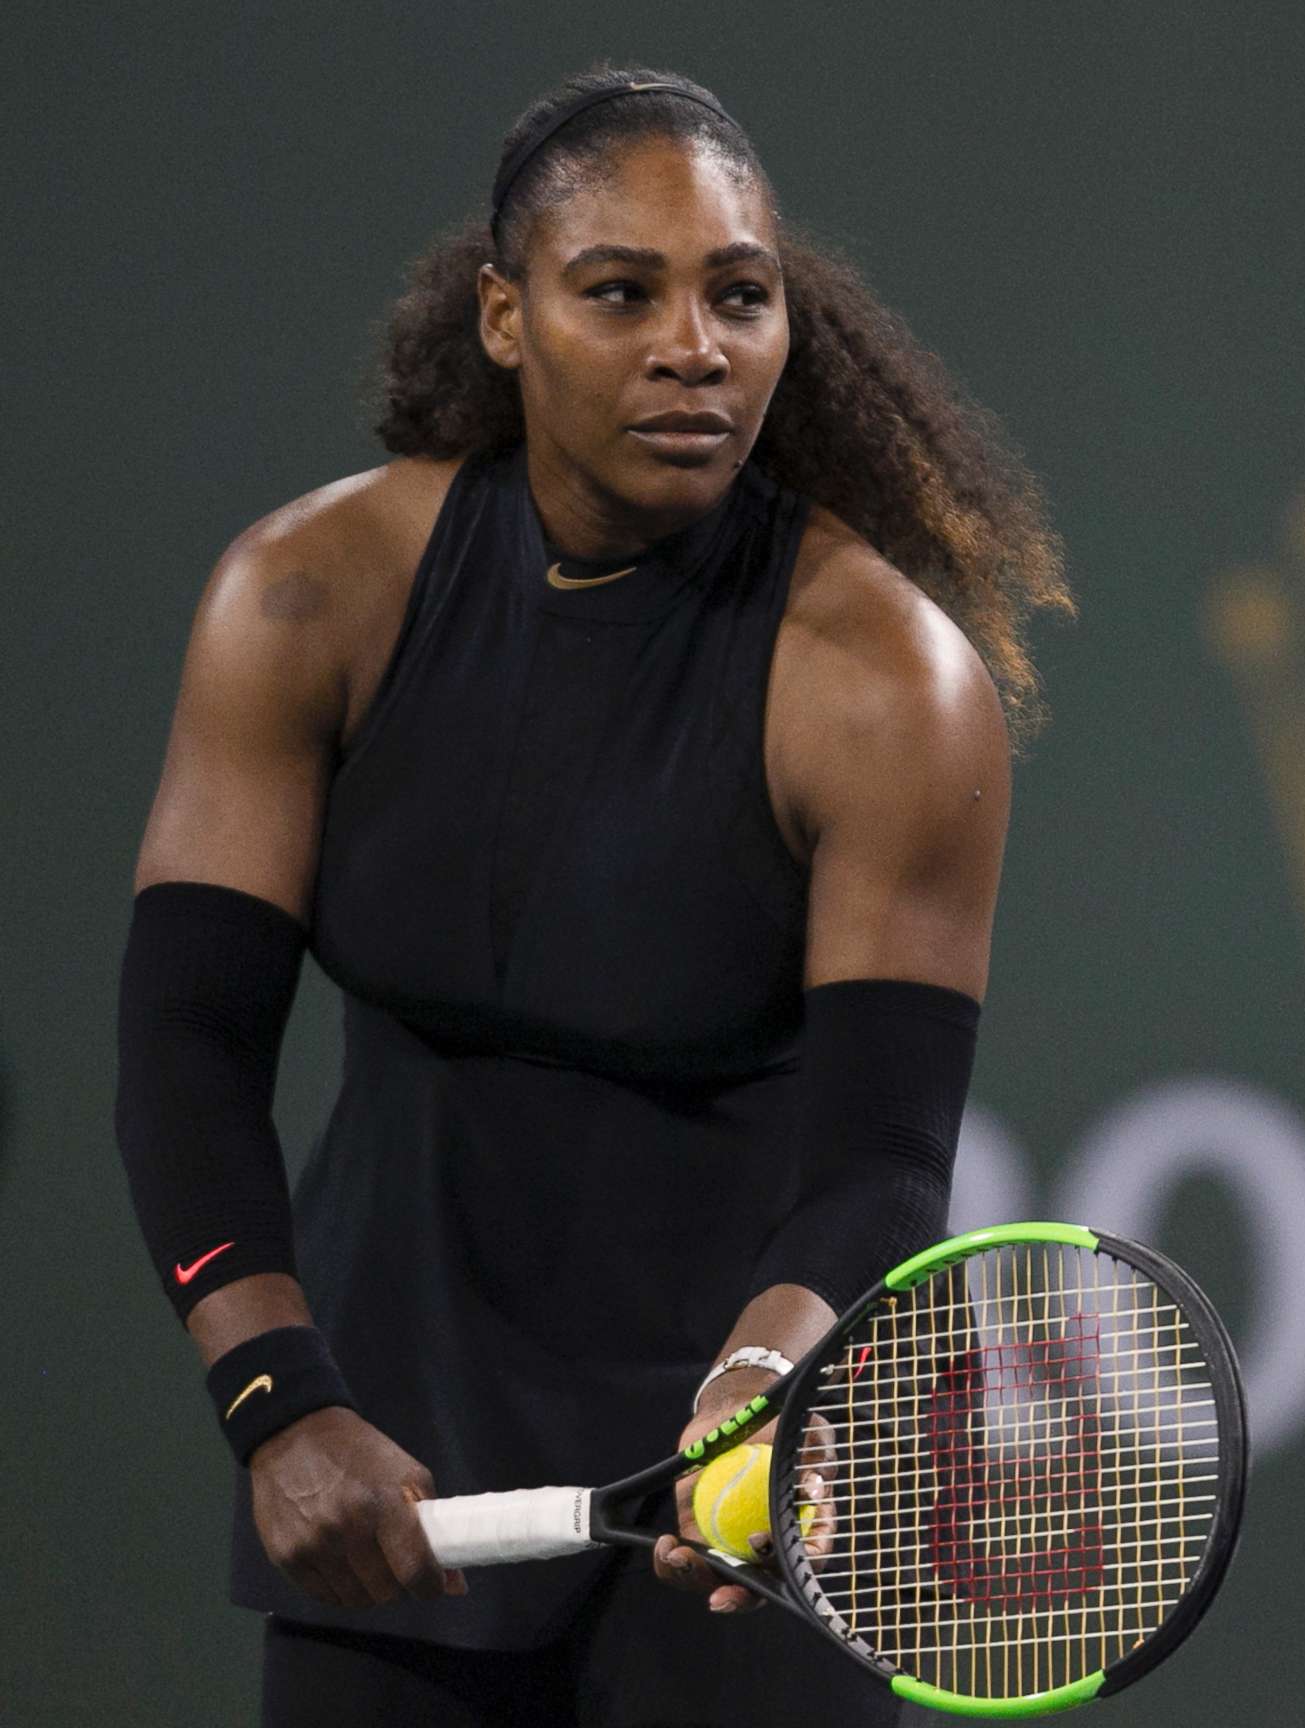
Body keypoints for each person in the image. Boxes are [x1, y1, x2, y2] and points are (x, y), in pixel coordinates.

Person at [114, 66, 1069, 1726]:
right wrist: (279, 1401)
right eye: (620, 292)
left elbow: (883, 1155)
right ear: (505, 317)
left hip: (738, 1517)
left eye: (740, 297)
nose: (693, 346)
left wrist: (765, 1386)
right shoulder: (305, 598)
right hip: (385, 1498)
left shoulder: (888, 683)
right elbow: (185, 1050)